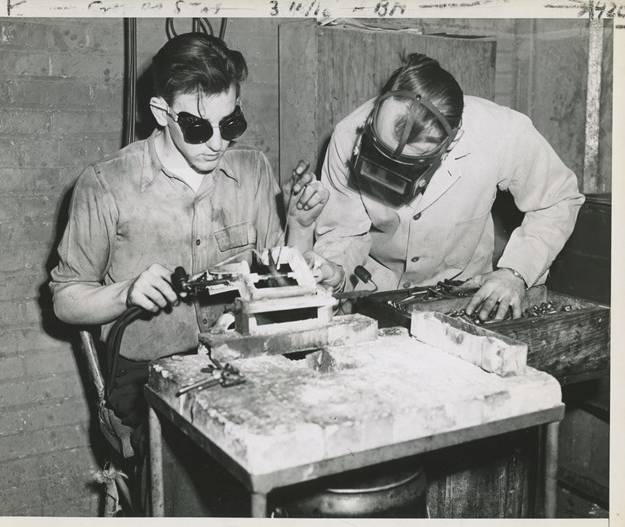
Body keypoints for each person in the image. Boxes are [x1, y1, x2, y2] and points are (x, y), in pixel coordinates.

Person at [50, 33, 328, 462]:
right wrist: (124, 293)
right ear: (161, 112)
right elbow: (65, 300)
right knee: (203, 460)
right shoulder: (107, 185)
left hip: (243, 355)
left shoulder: (251, 170)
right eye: (199, 128)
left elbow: (278, 285)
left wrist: (302, 227)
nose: (218, 143)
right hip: (147, 373)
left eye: (231, 123)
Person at [313, 53, 585, 321]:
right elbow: (342, 233)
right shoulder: (349, 134)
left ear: (451, 144)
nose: (390, 173)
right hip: (373, 291)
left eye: (409, 165)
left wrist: (515, 272)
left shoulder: (501, 132)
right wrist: (334, 271)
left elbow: (558, 200)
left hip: (462, 296)